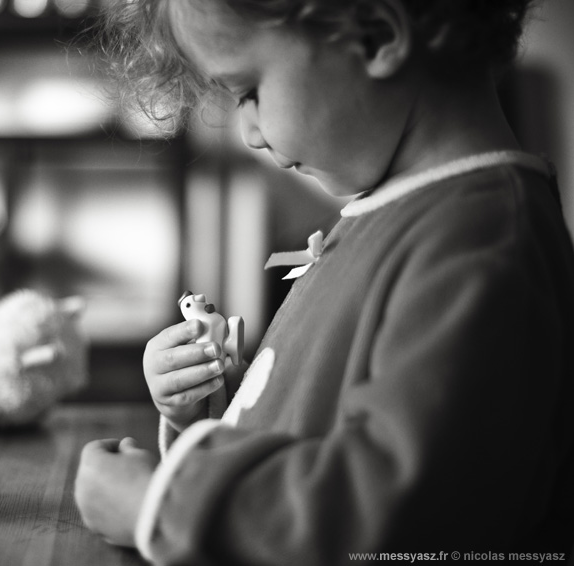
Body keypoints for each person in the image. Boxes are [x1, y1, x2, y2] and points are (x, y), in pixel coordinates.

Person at [73, 0, 574, 564]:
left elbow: (399, 515)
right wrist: (211, 410)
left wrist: (162, 505)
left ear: (374, 36)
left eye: (249, 90)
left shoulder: (480, 241)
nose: (250, 132)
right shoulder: (398, 215)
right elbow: (318, 432)